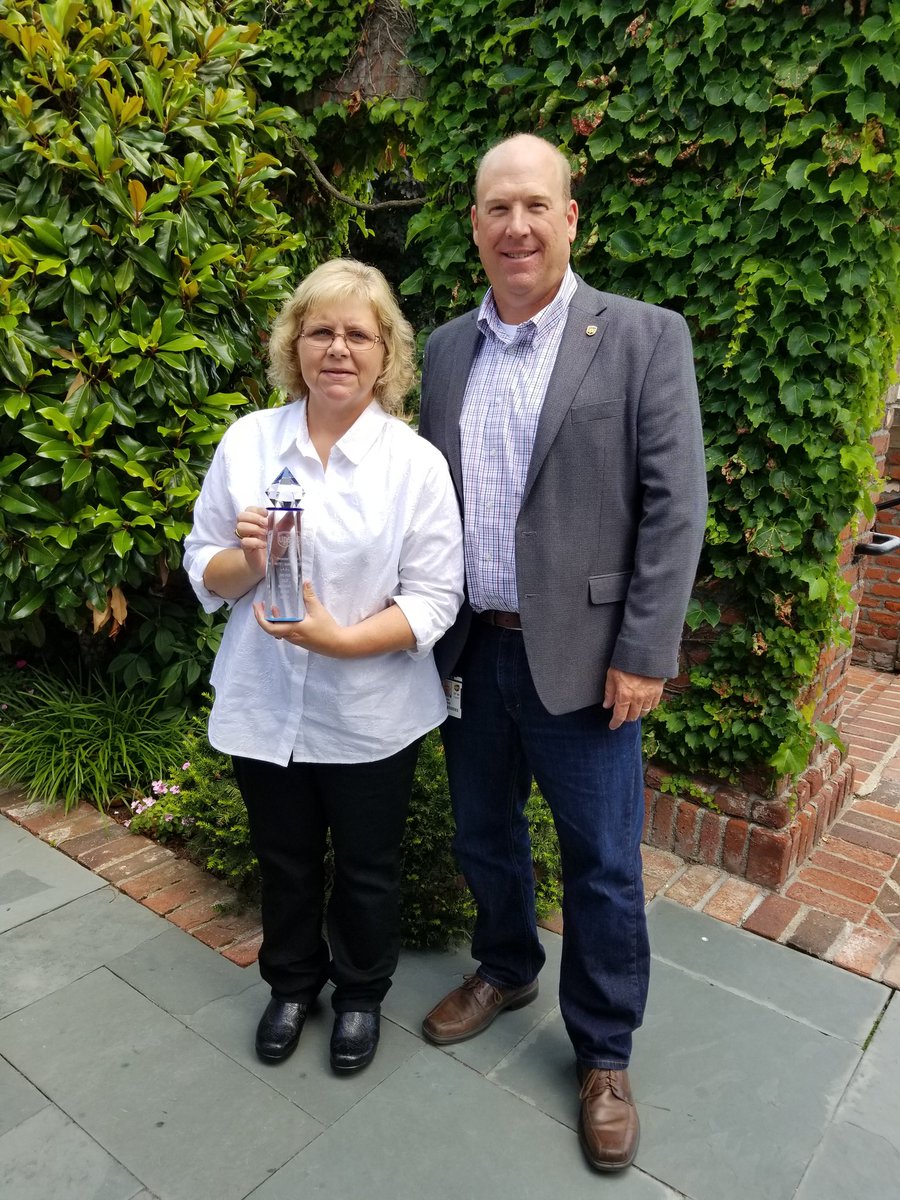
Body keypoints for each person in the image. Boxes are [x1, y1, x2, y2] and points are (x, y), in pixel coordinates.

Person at [417, 134, 707, 1171]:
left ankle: (605, 1049)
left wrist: (645, 652)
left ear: (571, 217)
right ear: (476, 224)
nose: (517, 226)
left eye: (537, 205)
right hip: (472, 653)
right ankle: (505, 965)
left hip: (587, 662)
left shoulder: (640, 336)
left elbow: (676, 511)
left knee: (601, 865)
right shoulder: (446, 350)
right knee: (483, 835)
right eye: (498, 208)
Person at [183, 259, 463, 1074]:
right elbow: (204, 565)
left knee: (370, 867)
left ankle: (361, 996)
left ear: (386, 354)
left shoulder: (414, 464)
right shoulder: (249, 441)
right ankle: (293, 984)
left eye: (357, 334)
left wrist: (340, 641)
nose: (337, 349)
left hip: (373, 710)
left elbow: (437, 597)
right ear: (293, 344)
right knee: (285, 856)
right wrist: (245, 558)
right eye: (320, 331)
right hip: (264, 701)